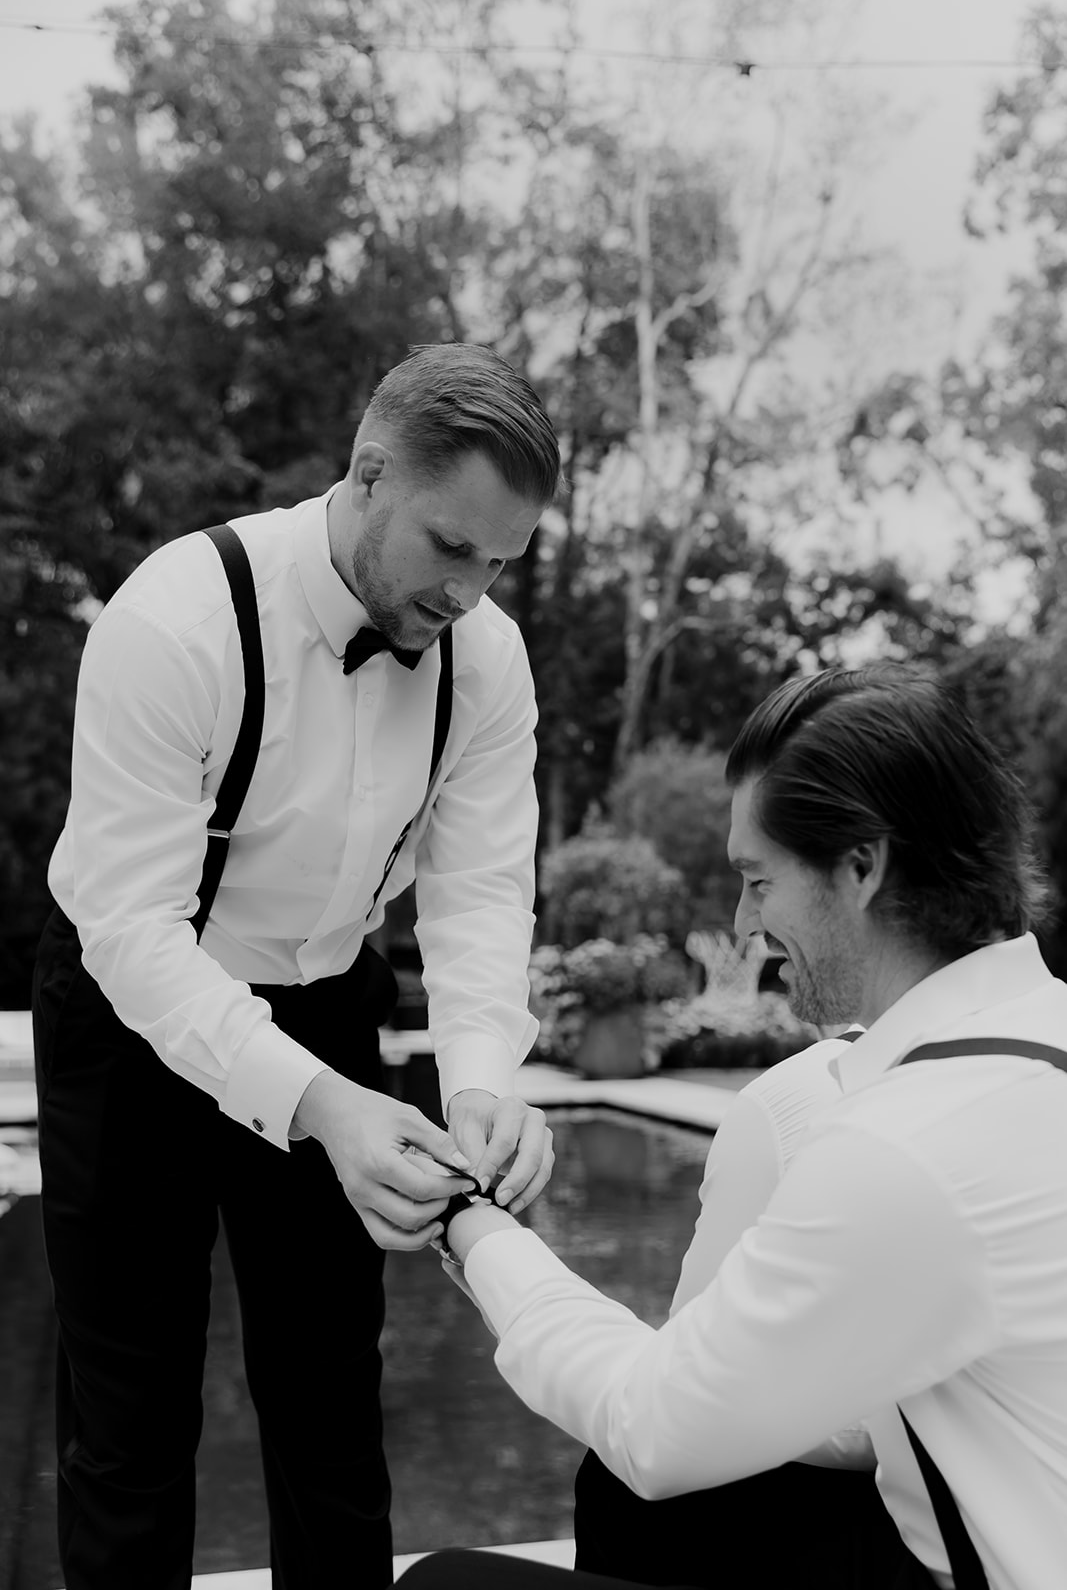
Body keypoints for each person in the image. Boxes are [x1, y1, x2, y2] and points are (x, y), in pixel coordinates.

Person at [31, 343, 561, 1590]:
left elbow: (479, 890)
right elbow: (133, 930)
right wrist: (319, 1111)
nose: (472, 593)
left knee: (329, 1398)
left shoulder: (486, 660)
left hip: (328, 999)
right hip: (130, 1002)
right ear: (368, 473)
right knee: (131, 1415)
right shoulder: (177, 616)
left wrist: (480, 1080)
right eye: (451, 548)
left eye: (501, 560)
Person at [402, 663, 1067, 1590]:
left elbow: (650, 1425)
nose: (744, 922)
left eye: (757, 880)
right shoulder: (1035, 1042)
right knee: (666, 1504)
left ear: (861, 866)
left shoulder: (903, 1148)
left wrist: (471, 1228)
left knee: (449, 1587)